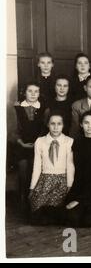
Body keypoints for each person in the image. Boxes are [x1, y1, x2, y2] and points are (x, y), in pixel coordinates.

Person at [29, 112, 74, 224]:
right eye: (52, 123)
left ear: (63, 125)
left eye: (59, 124)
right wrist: (32, 187)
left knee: (58, 212)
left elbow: (70, 165)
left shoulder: (69, 141)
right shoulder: (40, 141)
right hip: (45, 180)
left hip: (61, 180)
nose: (55, 127)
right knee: (36, 215)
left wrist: (69, 185)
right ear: (47, 125)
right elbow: (37, 165)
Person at [14, 82, 46, 214]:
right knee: (23, 168)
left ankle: (34, 199)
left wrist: (38, 142)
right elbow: (13, 129)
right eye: (30, 91)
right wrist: (21, 142)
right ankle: (22, 198)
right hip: (21, 145)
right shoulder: (17, 108)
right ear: (24, 92)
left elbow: (45, 128)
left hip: (38, 145)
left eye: (36, 91)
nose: (33, 94)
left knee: (35, 168)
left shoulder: (44, 109)